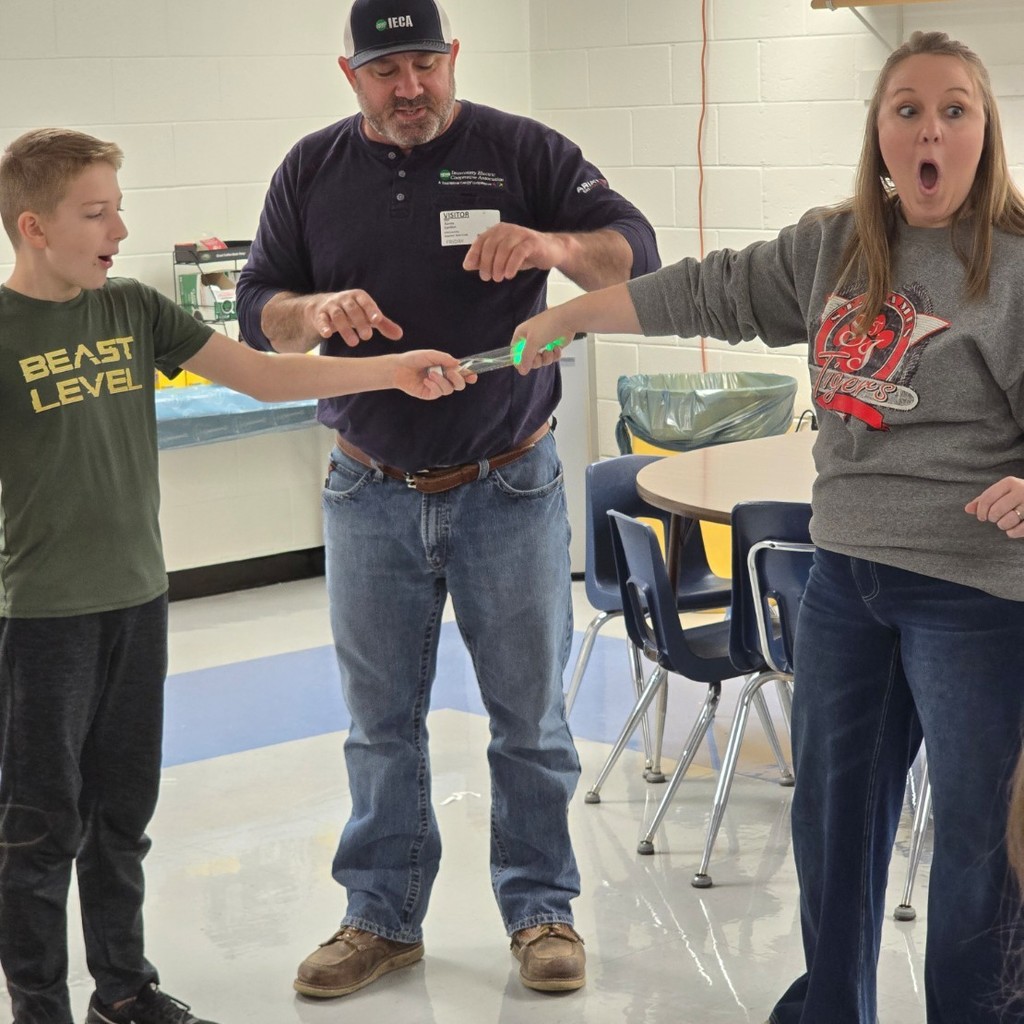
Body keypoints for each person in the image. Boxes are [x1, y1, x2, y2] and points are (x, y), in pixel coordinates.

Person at [511, 30, 1024, 1024]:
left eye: (953, 109)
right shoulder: (832, 247)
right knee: (831, 821)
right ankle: (831, 1006)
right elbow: (704, 289)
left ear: (984, 131)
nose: (930, 129)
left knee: (973, 840)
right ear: (879, 133)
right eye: (907, 109)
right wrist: (572, 317)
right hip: (845, 582)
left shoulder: (1011, 265)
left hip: (974, 594)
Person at [235, 0, 659, 999]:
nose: (411, 87)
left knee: (530, 720)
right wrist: (315, 309)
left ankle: (541, 909)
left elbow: (631, 251)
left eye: (426, 63)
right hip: (367, 489)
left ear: (453, 55)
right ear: (351, 75)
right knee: (379, 722)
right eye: (387, 71)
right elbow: (262, 313)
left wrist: (549, 247)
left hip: (509, 483)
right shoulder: (310, 170)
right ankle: (380, 918)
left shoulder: (524, 153)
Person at [0, 127, 469, 1024]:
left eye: (118, 209)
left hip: (136, 601)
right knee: (38, 826)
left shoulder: (131, 309)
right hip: (38, 617)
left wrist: (390, 373)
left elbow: (258, 373)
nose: (119, 229)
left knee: (121, 817)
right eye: (96, 214)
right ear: (34, 227)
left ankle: (123, 991)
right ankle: (39, 1007)